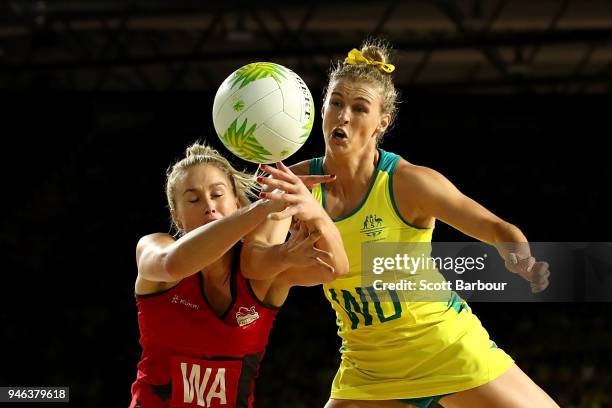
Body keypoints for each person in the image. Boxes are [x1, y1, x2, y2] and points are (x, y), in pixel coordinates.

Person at [258, 40, 557, 408]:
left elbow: (497, 229)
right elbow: (259, 261)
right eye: (335, 103)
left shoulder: (409, 183)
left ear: (381, 123)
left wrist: (519, 258)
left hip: (447, 347)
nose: (343, 116)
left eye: (359, 108)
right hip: (370, 368)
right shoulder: (295, 184)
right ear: (321, 109)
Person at [129, 142, 348, 408]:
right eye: (194, 199)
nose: (209, 207)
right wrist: (263, 208)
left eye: (218, 195)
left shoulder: (260, 272)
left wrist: (314, 213)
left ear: (236, 202)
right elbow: (174, 263)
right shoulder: (155, 248)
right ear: (177, 216)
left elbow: (334, 268)